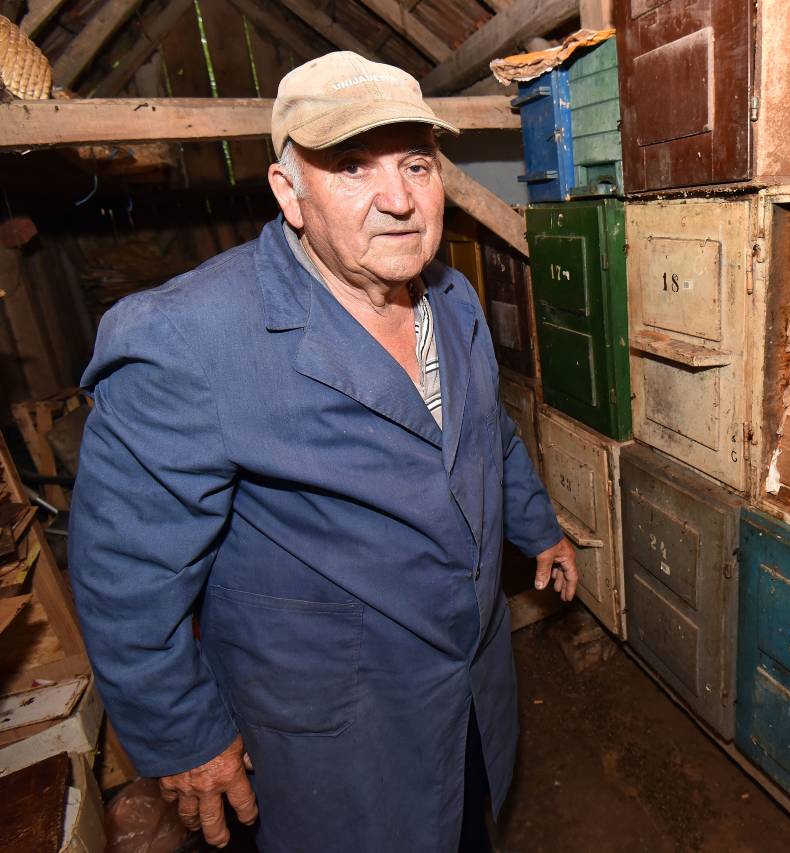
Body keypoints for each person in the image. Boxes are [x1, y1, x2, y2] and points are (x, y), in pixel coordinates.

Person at [68, 51, 576, 853]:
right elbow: (123, 572)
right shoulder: (189, 339)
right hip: (339, 736)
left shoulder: (453, 299)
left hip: (474, 688)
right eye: (350, 166)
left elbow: (489, 434)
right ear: (288, 192)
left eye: (416, 164)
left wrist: (537, 526)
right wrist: (185, 736)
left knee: (467, 825)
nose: (399, 199)